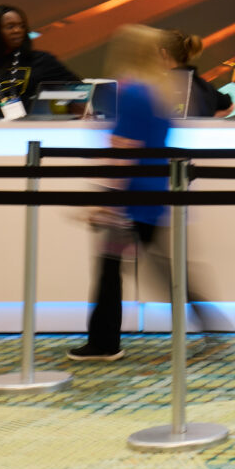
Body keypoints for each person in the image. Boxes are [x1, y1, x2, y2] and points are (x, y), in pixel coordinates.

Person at [69, 27, 178, 362]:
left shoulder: (131, 93)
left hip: (129, 199)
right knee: (144, 266)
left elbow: (125, 152)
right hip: (151, 193)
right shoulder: (160, 91)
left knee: (110, 268)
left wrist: (106, 202)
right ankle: (207, 322)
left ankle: (104, 343)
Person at [168, 32, 233, 117]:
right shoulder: (203, 85)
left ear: (164, 53)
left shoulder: (158, 84)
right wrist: (206, 121)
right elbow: (230, 106)